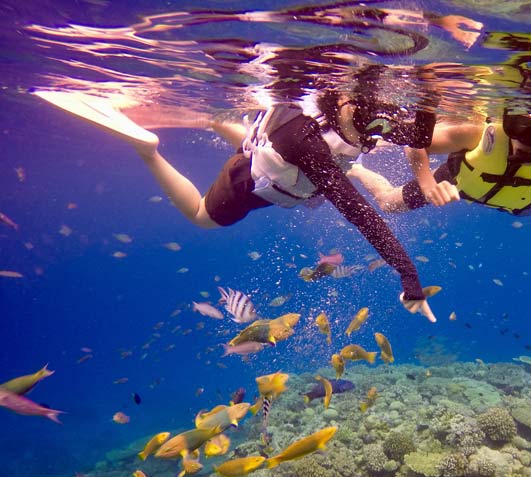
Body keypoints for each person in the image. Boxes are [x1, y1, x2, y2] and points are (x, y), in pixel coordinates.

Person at [35, 74, 440, 322]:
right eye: (364, 127)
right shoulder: (309, 144)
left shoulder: (368, 121)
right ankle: (149, 149)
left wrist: (430, 93)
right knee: (201, 216)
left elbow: (418, 136)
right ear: (346, 104)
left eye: (377, 128)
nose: (370, 135)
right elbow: (360, 215)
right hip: (252, 179)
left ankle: (230, 126)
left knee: (267, 148)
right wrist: (409, 276)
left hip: (287, 165)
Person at [348, 100, 531, 216]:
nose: (521, 143)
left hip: (513, 197)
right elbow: (416, 143)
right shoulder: (477, 132)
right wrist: (427, 184)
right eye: (517, 128)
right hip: (459, 181)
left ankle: (513, 205)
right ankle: (358, 169)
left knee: (520, 208)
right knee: (388, 204)